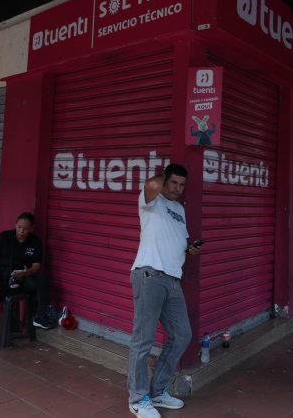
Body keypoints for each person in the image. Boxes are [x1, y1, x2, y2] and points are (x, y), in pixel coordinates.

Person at [127, 163, 201, 418]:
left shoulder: (180, 209)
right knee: (143, 340)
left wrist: (189, 249)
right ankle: (138, 398)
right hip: (149, 275)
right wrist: (161, 174)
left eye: (182, 185)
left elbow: (176, 240)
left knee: (182, 335)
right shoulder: (151, 201)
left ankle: (157, 390)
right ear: (165, 180)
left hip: (173, 279)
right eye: (173, 183)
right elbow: (151, 185)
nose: (177, 189)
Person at [0, 211, 54, 355]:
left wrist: (26, 273)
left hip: (22, 279)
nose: (21, 231)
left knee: (42, 279)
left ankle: (39, 316)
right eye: (19, 227)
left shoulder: (35, 242)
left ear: (31, 229)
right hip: (1, 279)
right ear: (15, 225)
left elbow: (37, 265)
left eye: (25, 229)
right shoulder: (4, 237)